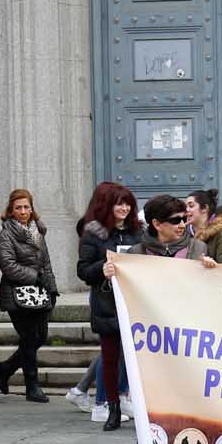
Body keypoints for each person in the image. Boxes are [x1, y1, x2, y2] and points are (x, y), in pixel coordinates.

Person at [101, 193, 220, 444]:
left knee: (193, 414)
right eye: (176, 220)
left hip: (190, 350)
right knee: (148, 413)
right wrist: (111, 278)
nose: (183, 224)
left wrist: (211, 273)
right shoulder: (136, 255)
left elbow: (216, 296)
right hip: (151, 353)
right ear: (155, 224)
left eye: (185, 218)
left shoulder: (198, 249)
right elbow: (119, 300)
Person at [77, 182, 143, 431]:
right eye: (119, 203)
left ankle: (131, 399)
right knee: (111, 356)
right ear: (109, 206)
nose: (124, 207)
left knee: (135, 357)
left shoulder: (139, 232)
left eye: (127, 203)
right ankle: (111, 407)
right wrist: (100, 270)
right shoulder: (94, 233)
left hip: (134, 300)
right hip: (107, 302)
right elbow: (83, 270)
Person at [0, 188, 58, 403]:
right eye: (18, 208)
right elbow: (9, 267)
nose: (22, 211)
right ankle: (32, 386)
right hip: (16, 294)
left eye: (26, 207)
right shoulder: (5, 235)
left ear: (32, 208)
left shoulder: (38, 231)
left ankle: (4, 369)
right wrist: (35, 277)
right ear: (10, 210)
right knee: (29, 338)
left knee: (40, 337)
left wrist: (52, 287)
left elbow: (46, 262)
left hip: (40, 292)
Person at [188, 189, 222, 265]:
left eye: (191, 206)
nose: (186, 210)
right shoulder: (181, 233)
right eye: (185, 206)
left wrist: (212, 266)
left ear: (205, 208)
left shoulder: (221, 236)